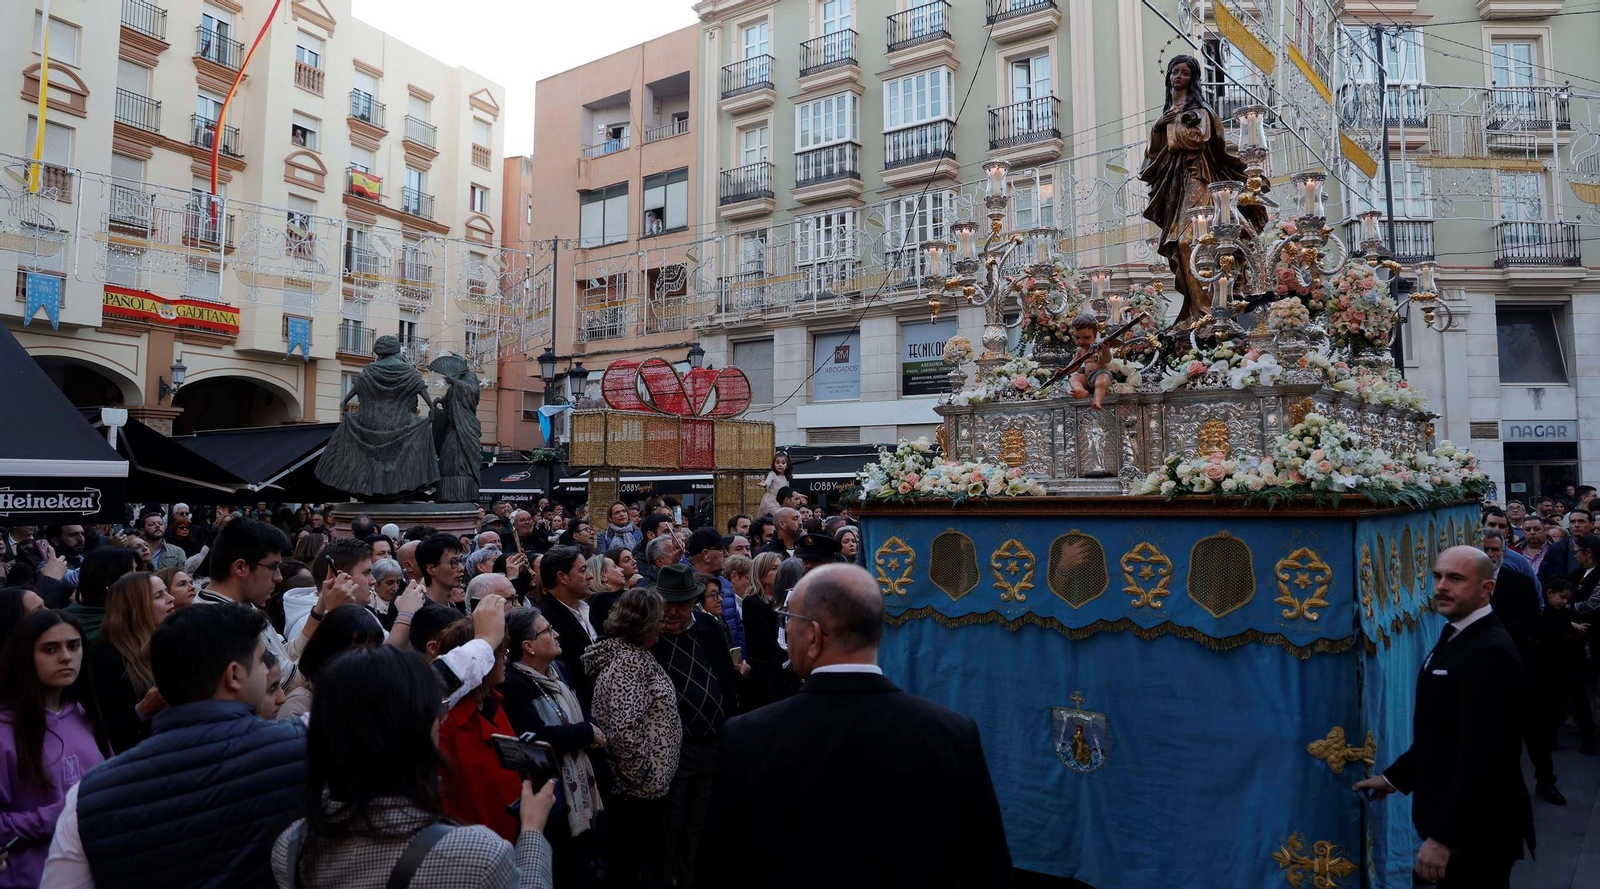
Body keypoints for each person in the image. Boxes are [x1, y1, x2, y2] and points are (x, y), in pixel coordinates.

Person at [695, 564, 1012, 888]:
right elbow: (987, 872)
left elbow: (718, 870)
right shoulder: (953, 735)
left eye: (789, 621)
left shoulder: (749, 737)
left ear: (814, 636)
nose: (785, 631)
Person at [43, 603, 307, 888]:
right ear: (234, 676)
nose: (266, 671)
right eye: (258, 661)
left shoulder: (87, 798)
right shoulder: (305, 746)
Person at [271, 645, 555, 889]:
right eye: (437, 711)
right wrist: (531, 833)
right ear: (417, 729)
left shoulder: (293, 846)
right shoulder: (478, 855)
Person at [1354, 547, 1535, 888]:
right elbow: (1443, 733)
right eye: (1437, 576)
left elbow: (1485, 756)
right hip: (1464, 827)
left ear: (1487, 589)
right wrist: (1393, 779)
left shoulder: (1490, 651)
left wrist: (1444, 838)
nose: (1441, 586)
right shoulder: (1459, 632)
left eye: (1455, 578)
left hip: (1478, 834)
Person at [1140, 53, 1267, 324]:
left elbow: (1200, 138)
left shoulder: (1201, 111)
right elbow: (1152, 155)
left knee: (1191, 241)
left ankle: (1210, 312)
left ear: (1193, 79)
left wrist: (1174, 126)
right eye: (1174, 72)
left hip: (1199, 178)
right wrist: (1158, 127)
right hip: (1175, 183)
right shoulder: (1166, 115)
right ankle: (1198, 312)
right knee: (1180, 243)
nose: (1178, 76)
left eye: (1184, 72)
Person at [0, 610, 110, 888]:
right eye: (51, 649)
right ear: (25, 657)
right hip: (32, 876)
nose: (66, 657)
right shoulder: (4, 730)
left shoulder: (86, 715)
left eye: (74, 646)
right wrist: (59, 814)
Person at [650, 564, 740, 888]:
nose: (673, 611)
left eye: (681, 603)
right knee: (670, 821)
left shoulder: (707, 625)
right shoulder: (650, 635)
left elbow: (726, 676)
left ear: (694, 602)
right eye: (667, 603)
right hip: (675, 749)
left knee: (700, 821)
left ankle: (691, 877)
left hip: (714, 740)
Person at [583, 588, 679, 889]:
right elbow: (625, 732)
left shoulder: (632, 656)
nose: (663, 627)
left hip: (641, 791)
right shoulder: (629, 664)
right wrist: (647, 779)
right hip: (636, 796)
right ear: (645, 624)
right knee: (629, 869)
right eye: (660, 621)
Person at [499, 608, 603, 888]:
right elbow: (537, 737)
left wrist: (587, 728)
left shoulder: (559, 670)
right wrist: (585, 732)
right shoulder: (514, 684)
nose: (555, 634)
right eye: (547, 630)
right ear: (528, 646)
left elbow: (578, 712)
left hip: (577, 788)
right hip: (549, 799)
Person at [1481, 529, 1561, 804]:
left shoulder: (1519, 581)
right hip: (1484, 669)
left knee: (1534, 728)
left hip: (1520, 664)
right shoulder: (1468, 582)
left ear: (1504, 551)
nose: (1491, 555)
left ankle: (1546, 782)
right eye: (1486, 550)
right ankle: (1503, 785)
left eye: (1496, 550)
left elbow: (1533, 621)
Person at [316, 335, 440, 499]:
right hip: (403, 425)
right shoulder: (409, 371)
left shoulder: (369, 370)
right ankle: (404, 485)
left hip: (370, 425)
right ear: (396, 350)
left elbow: (349, 396)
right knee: (422, 434)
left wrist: (344, 407)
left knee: (351, 438)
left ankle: (366, 487)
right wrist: (432, 411)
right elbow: (424, 395)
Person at [431, 618, 520, 841]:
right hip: (474, 850)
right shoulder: (443, 725)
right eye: (500, 653)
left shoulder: (495, 703)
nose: (505, 660)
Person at [87, 572, 176, 753]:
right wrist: (143, 709)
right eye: (159, 595)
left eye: (166, 592)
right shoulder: (104, 655)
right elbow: (110, 729)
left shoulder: (172, 641)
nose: (171, 598)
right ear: (135, 607)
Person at [276, 605, 387, 722]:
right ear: (329, 652)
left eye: (372, 652)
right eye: (356, 652)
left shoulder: (367, 694)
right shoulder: (300, 708)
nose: (365, 662)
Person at [1536, 578, 1595, 756]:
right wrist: (1569, 627)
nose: (1565, 602)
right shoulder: (1546, 613)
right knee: (1554, 705)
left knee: (1579, 705)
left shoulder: (1564, 612)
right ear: (1550, 594)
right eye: (1562, 597)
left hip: (1571, 663)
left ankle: (1586, 741)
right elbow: (1546, 628)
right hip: (1556, 665)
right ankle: (1551, 738)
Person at [538, 547, 595, 697]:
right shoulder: (547, 622)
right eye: (582, 570)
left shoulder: (589, 609)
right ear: (562, 578)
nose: (590, 576)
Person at [687, 529, 743, 656]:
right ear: (706, 554)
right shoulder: (685, 584)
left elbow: (738, 628)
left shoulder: (725, 584)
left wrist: (740, 657)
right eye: (720, 549)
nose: (725, 553)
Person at [65, 548, 139, 644]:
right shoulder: (67, 620)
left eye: (136, 570)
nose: (137, 576)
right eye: (130, 572)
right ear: (107, 579)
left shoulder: (137, 612)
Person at [417, 533, 467, 611]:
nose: (461, 568)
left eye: (460, 561)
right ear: (431, 569)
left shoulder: (455, 607)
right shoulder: (421, 612)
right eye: (454, 562)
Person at [368, 558, 405, 629]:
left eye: (398, 582)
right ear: (375, 582)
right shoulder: (369, 608)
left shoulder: (404, 603)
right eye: (389, 583)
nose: (395, 588)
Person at [756, 452, 794, 519]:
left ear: (787, 465)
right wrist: (765, 484)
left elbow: (787, 491)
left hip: (780, 502)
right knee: (777, 515)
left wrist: (796, 495)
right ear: (774, 464)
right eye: (777, 462)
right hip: (771, 501)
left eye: (783, 463)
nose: (780, 465)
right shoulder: (772, 474)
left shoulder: (786, 477)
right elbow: (768, 482)